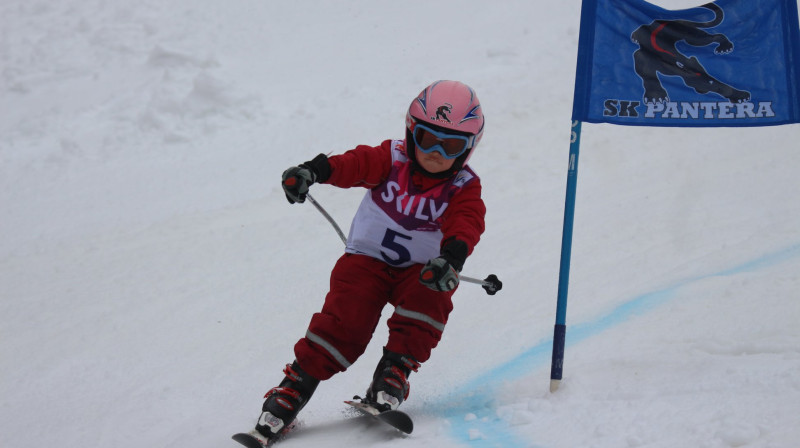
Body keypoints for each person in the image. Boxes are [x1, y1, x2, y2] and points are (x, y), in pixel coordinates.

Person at [254, 80, 487, 441]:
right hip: (366, 260)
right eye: (428, 139)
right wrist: (314, 171)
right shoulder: (391, 158)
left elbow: (467, 220)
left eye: (452, 144)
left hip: (422, 271)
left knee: (432, 297)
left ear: (469, 148)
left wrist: (451, 258)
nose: (438, 151)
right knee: (346, 320)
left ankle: (394, 371)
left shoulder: (463, 185)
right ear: (411, 132)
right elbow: (355, 163)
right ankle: (294, 387)